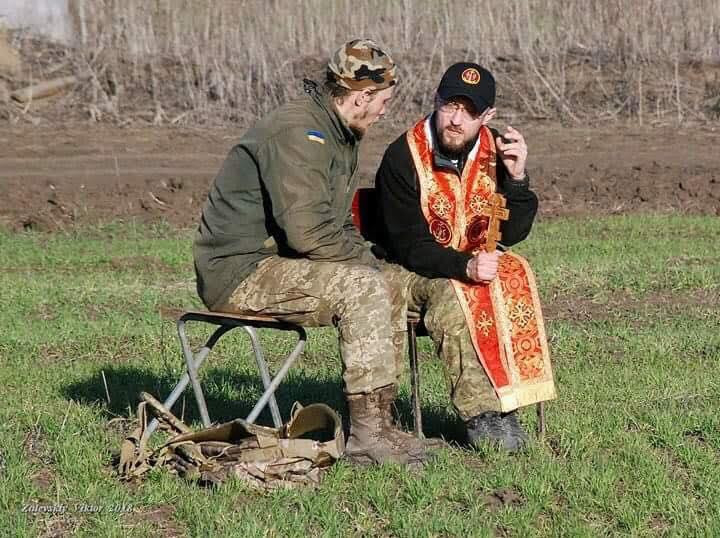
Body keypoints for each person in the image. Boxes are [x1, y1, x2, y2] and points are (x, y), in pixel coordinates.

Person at [192, 39, 439, 466]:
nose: (384, 111)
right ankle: (366, 439)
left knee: (388, 282)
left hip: (276, 262)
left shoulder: (337, 133)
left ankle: (381, 422)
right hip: (238, 272)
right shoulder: (301, 133)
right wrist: (367, 265)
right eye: (383, 101)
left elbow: (335, 224)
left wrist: (375, 263)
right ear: (362, 96)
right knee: (363, 286)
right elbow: (308, 232)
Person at [374, 62, 556, 451]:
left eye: (469, 111)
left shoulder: (497, 150)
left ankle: (511, 402)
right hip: (408, 269)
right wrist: (465, 266)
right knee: (453, 295)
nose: (456, 120)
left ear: (487, 116)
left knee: (515, 276)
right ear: (436, 100)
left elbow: (512, 233)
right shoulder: (402, 157)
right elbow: (410, 247)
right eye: (450, 106)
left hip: (471, 262)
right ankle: (484, 415)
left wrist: (518, 180)